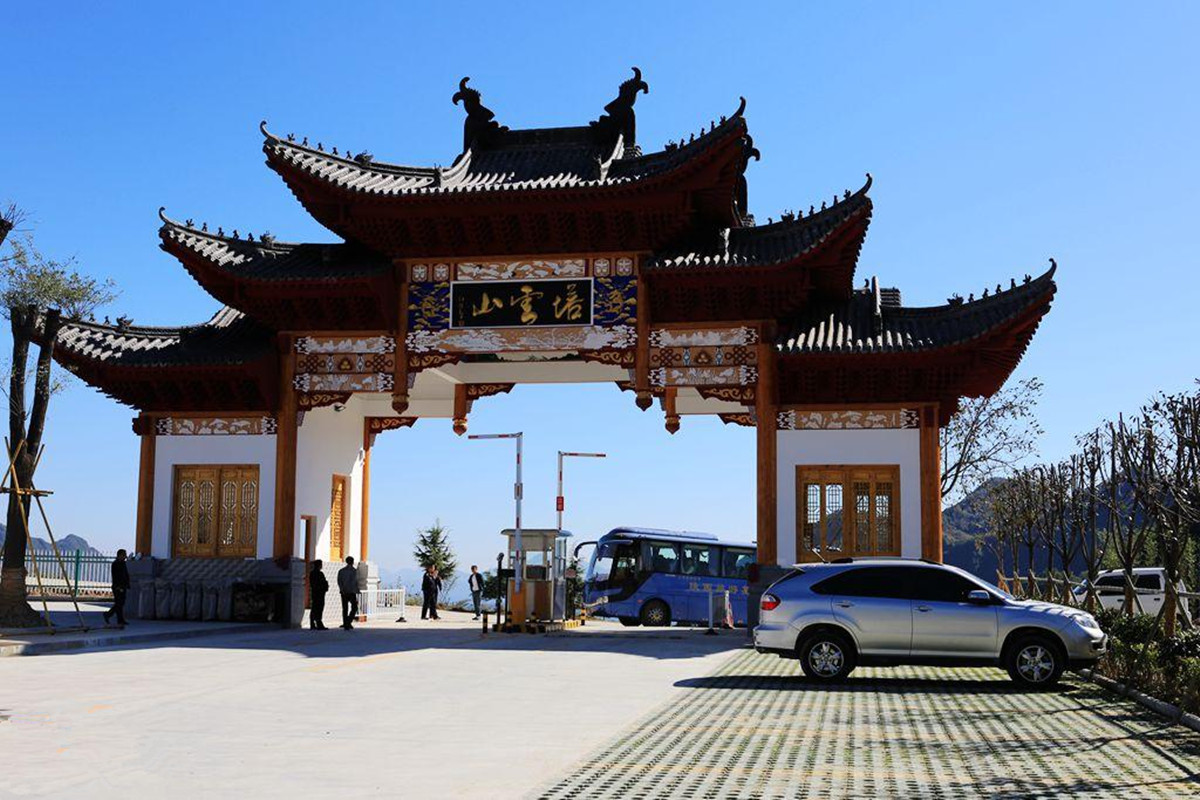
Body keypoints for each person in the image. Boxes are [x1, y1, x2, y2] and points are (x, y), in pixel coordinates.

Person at [103, 549, 130, 627]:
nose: (125, 557)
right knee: (119, 603)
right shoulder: (116, 564)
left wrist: (127, 584)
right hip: (118, 586)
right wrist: (118, 586)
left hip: (123, 586)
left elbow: (125, 574)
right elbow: (116, 576)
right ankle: (108, 614)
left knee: (121, 603)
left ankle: (120, 619)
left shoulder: (123, 563)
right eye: (124, 555)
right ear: (120, 555)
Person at [337, 556, 358, 630]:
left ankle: (346, 623)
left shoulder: (341, 571)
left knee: (345, 608)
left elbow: (339, 582)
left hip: (343, 592)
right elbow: (355, 582)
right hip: (351, 592)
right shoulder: (354, 571)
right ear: (352, 562)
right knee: (354, 607)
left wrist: (342, 589)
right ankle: (348, 621)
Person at [309, 559, 329, 630]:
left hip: (315, 593)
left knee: (314, 607)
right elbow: (322, 583)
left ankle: (312, 623)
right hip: (319, 593)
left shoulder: (312, 573)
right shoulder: (320, 574)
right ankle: (318, 622)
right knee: (319, 608)